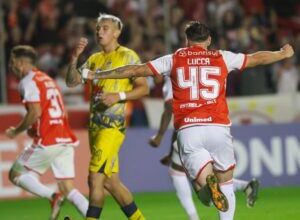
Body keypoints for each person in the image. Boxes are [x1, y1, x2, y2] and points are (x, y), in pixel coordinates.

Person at [82, 21, 294, 220]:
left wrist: (98, 74)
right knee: (226, 182)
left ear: (186, 40)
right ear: (208, 40)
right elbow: (257, 58)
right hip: (218, 128)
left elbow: (136, 70)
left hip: (189, 130)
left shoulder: (174, 59)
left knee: (202, 191)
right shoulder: (223, 57)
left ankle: (206, 186)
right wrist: (282, 53)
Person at [65, 13, 149, 220]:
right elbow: (71, 82)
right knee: (111, 182)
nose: (99, 32)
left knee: (95, 179)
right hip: (95, 128)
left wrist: (118, 96)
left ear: (117, 32)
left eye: (105, 28)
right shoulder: (95, 59)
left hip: (111, 128)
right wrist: (75, 58)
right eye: (98, 28)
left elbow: (144, 88)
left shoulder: (128, 56)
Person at [148, 76, 259, 220]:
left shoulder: (171, 78)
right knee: (221, 178)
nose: (151, 78)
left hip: (189, 131)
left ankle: (193, 217)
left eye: (152, 75)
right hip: (215, 127)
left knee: (181, 177)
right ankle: (245, 186)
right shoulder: (194, 70)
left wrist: (160, 136)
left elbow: (170, 108)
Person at [6, 45, 89, 220]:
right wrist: (33, 127)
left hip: (48, 139)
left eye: (13, 63)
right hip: (65, 138)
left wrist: (16, 131)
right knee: (68, 187)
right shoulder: (48, 79)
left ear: (21, 63)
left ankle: (53, 197)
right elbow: (60, 110)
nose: (11, 67)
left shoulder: (28, 81)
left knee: (16, 174)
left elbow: (35, 111)